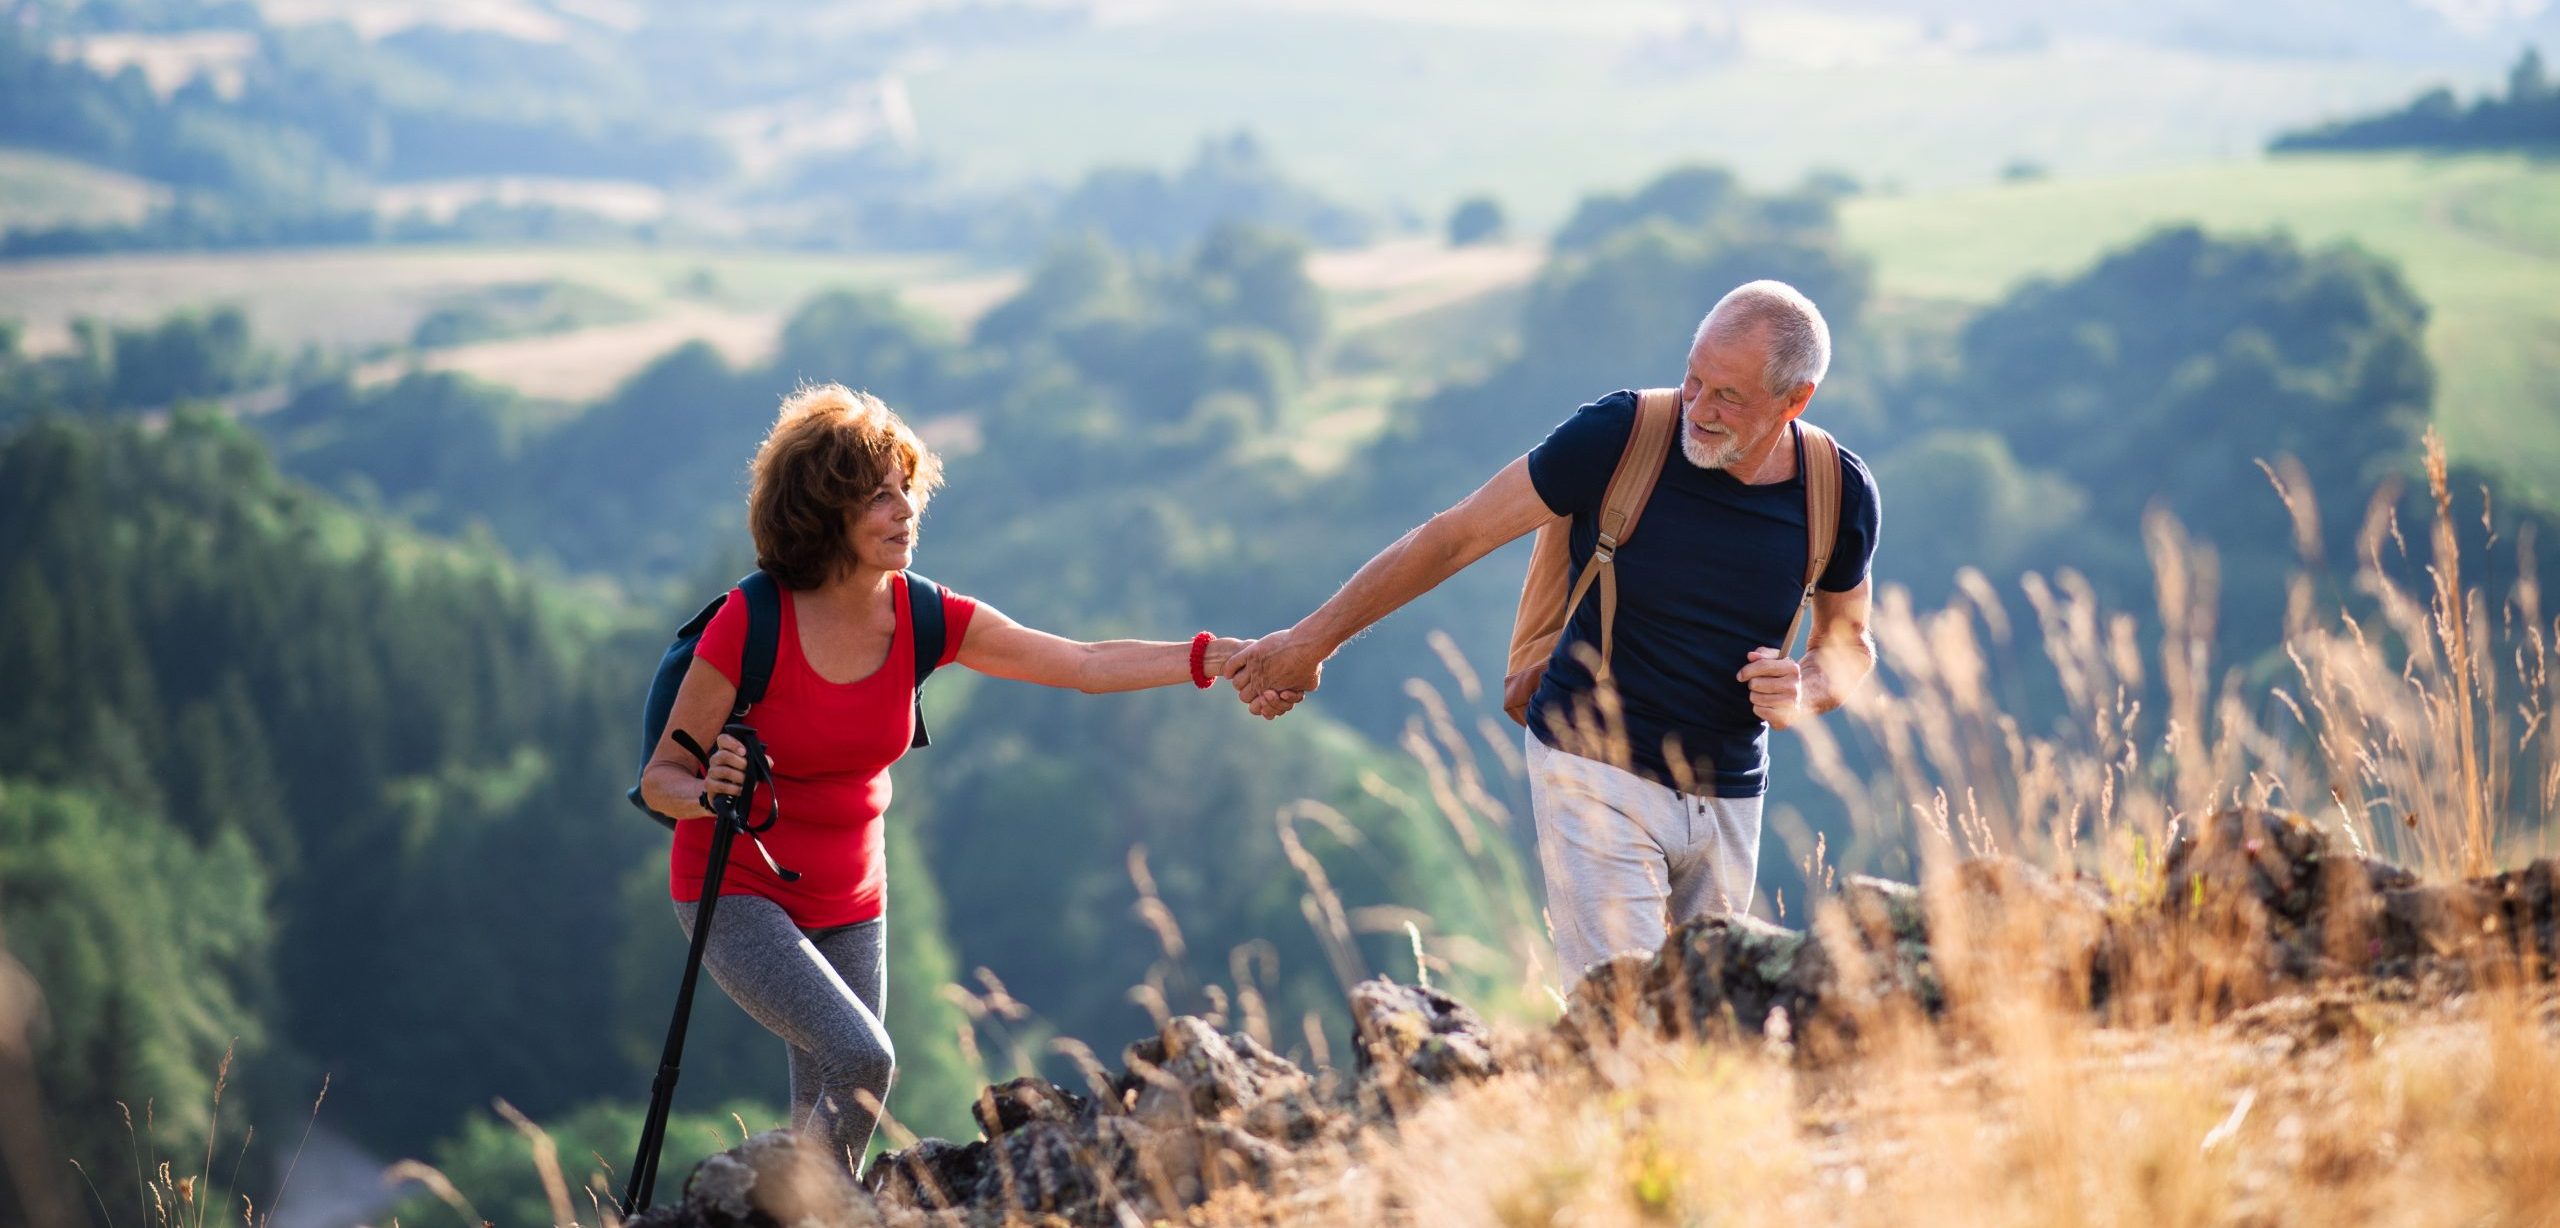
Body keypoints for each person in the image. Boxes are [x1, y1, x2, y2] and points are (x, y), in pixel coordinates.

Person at [637, 383, 1251, 1168]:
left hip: (854, 899)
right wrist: (708, 793)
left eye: (906, 491)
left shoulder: (925, 616)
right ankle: (796, 1215)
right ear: (823, 511)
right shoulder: (751, 622)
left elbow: (1084, 664)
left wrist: (1210, 658)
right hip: (738, 895)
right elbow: (662, 778)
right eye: (877, 498)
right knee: (865, 1064)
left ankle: (806, 1216)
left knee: (830, 1112)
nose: (904, 511)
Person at [1227, 280, 1882, 978]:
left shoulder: (1835, 490)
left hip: (1730, 793)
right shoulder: (1617, 437)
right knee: (1622, 1014)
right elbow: (1454, 537)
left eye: (1729, 397)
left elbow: (1848, 640)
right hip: (1592, 767)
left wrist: (1806, 689)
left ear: (1795, 400)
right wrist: (1308, 643)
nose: (1699, 406)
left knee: (1709, 1029)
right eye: (1693, 378)